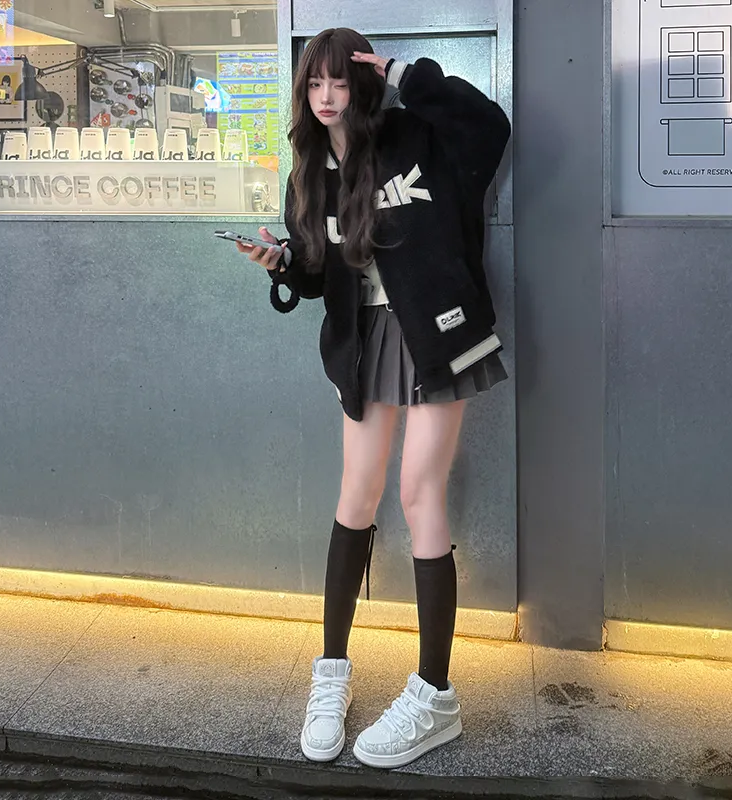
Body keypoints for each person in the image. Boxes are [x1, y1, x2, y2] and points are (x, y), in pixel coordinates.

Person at [235, 27, 511, 769]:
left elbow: (490, 127)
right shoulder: (309, 172)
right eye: (314, 84)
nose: (326, 97)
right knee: (355, 495)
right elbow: (320, 270)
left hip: (438, 333)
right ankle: (331, 672)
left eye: (339, 81)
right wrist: (281, 262)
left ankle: (435, 696)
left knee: (420, 493)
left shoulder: (413, 133)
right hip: (364, 341)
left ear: (361, 82)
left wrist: (407, 76)